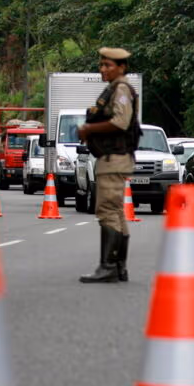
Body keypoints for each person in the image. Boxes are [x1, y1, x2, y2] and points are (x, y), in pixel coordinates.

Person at [77, 47, 141, 283]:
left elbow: (121, 122)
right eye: (101, 65)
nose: (102, 69)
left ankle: (109, 266)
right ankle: (119, 266)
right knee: (116, 212)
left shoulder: (121, 89)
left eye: (108, 65)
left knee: (107, 211)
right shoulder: (115, 88)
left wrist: (88, 129)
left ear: (122, 67)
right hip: (113, 158)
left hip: (114, 158)